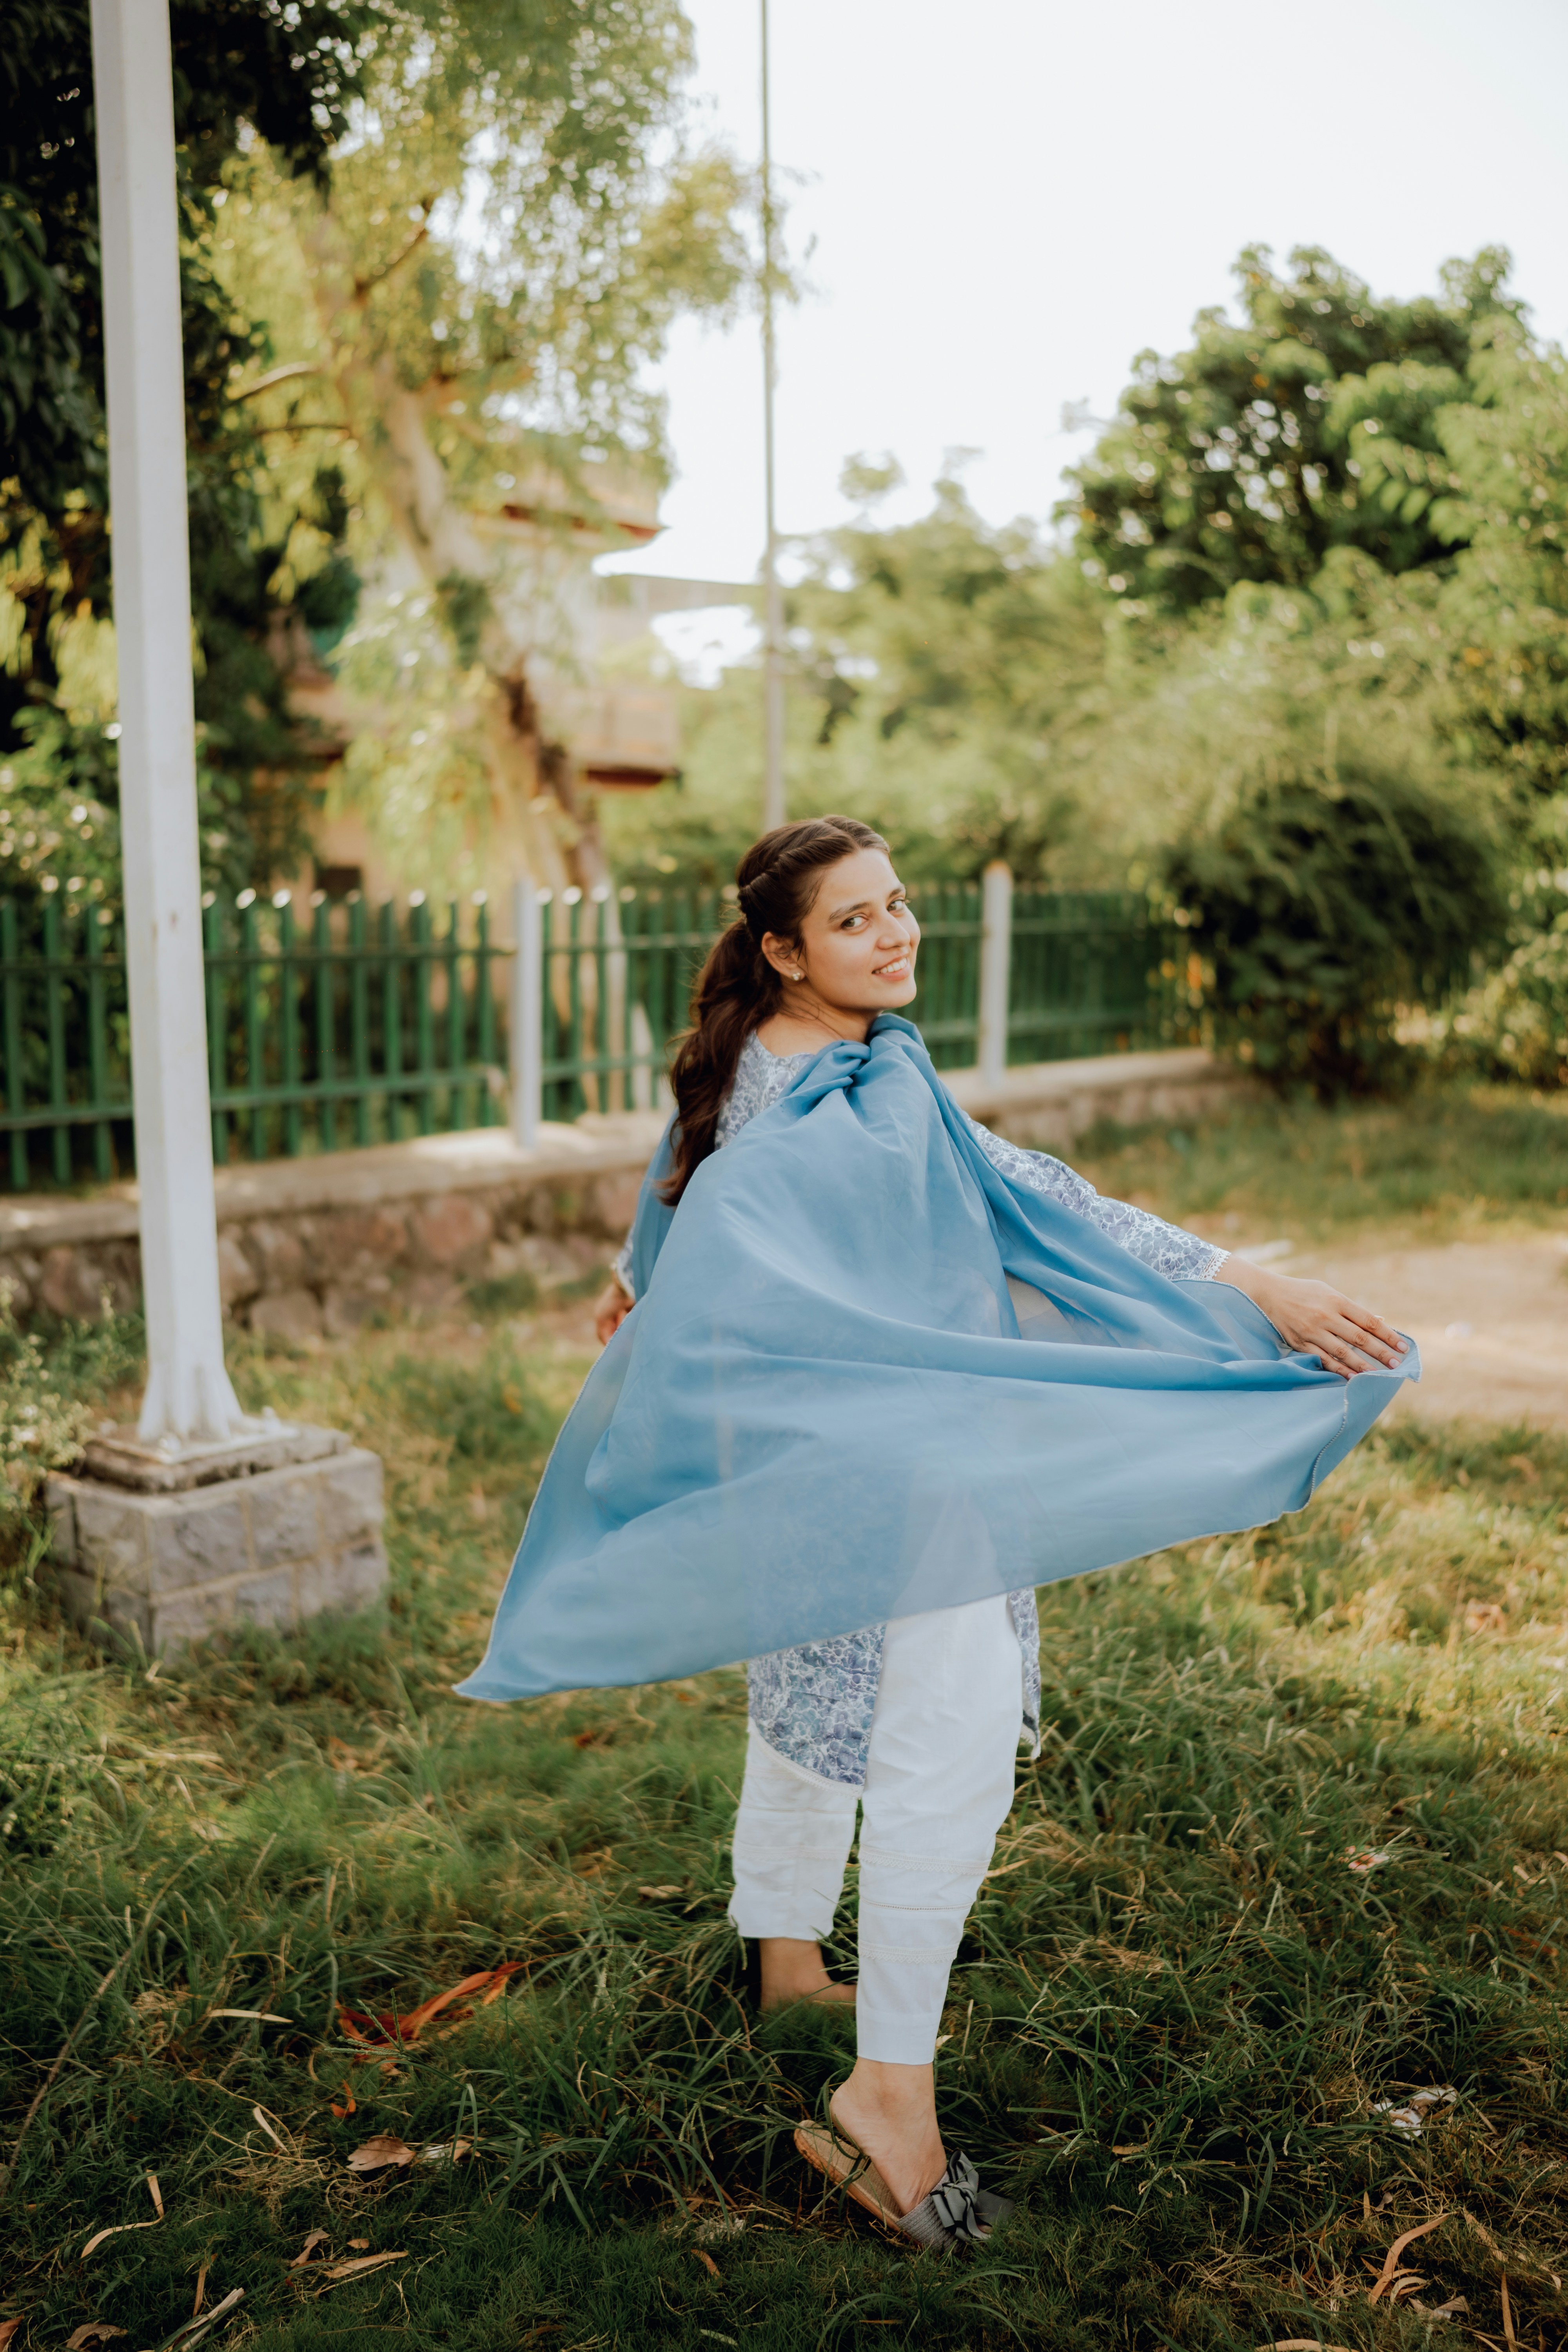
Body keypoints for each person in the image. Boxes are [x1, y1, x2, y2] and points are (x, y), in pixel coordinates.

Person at [561, 815, 1410, 2247]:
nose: (894, 938)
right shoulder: (835, 1101)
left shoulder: (791, 1060)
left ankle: (784, 1966)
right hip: (889, 1483)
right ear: (783, 951)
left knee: (805, 1696)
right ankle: (887, 2101)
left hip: (795, 1472)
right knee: (941, 1759)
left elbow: (690, 1184)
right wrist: (1243, 1285)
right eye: (855, 922)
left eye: (899, 909)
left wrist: (642, 1287)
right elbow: (1021, 1200)